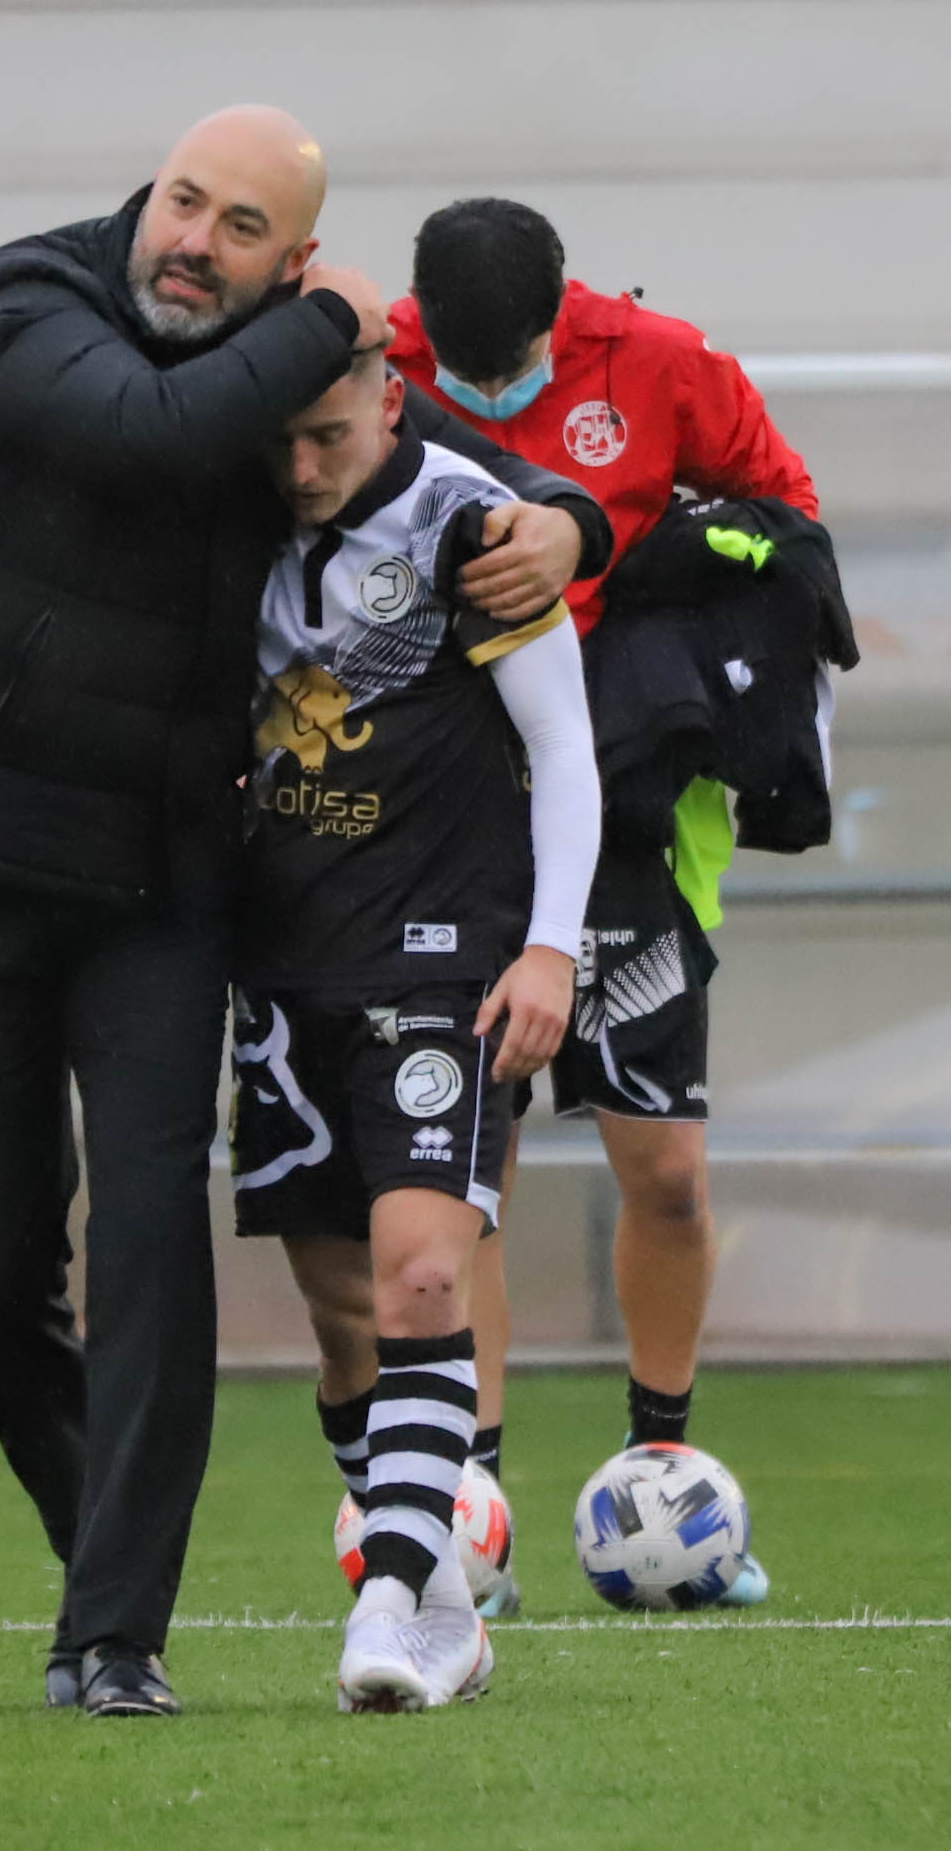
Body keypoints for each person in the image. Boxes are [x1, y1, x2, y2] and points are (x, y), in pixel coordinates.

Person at [0, 110, 609, 1718]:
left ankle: (123, 1628)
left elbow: (410, 462)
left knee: (157, 1231)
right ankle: (113, 1554)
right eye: (185, 202)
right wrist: (340, 315)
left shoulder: (288, 382)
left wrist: (571, 514)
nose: (195, 238)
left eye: (242, 223)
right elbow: (142, 429)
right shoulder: (27, 300)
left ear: (286, 258)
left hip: (162, 884)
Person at [385, 196, 825, 1613]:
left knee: (671, 1170)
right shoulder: (379, 363)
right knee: (472, 1178)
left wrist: (610, 557)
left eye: (502, 369)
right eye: (457, 371)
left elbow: (789, 520)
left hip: (627, 801)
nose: (481, 393)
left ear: (561, 314)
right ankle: (475, 1507)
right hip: (449, 803)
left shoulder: (663, 362)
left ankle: (665, 1470)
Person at [225, 349, 599, 1711]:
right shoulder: (230, 512)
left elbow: (564, 745)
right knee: (342, 1323)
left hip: (443, 962)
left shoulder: (470, 525)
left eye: (327, 437)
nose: (304, 469)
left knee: (425, 1281)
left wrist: (552, 941)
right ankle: (445, 1595)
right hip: (280, 976)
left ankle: (386, 1605)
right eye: (284, 443)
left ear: (391, 396)